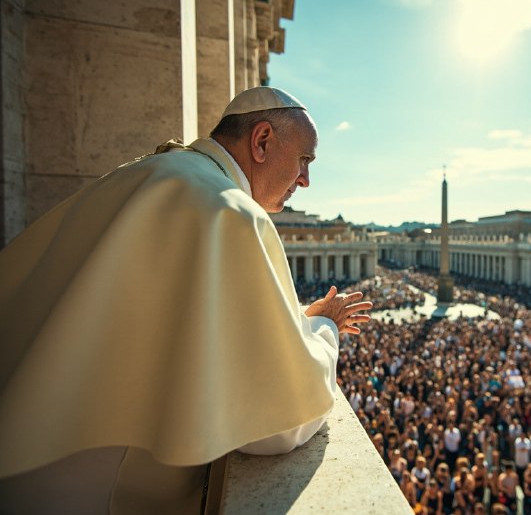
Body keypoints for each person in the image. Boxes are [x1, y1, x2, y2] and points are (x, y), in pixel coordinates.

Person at [0, 87, 373, 513]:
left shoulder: (144, 174)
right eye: (304, 160)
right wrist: (325, 327)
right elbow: (279, 425)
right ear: (263, 140)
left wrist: (293, 324)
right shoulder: (228, 210)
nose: (306, 180)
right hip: (88, 495)